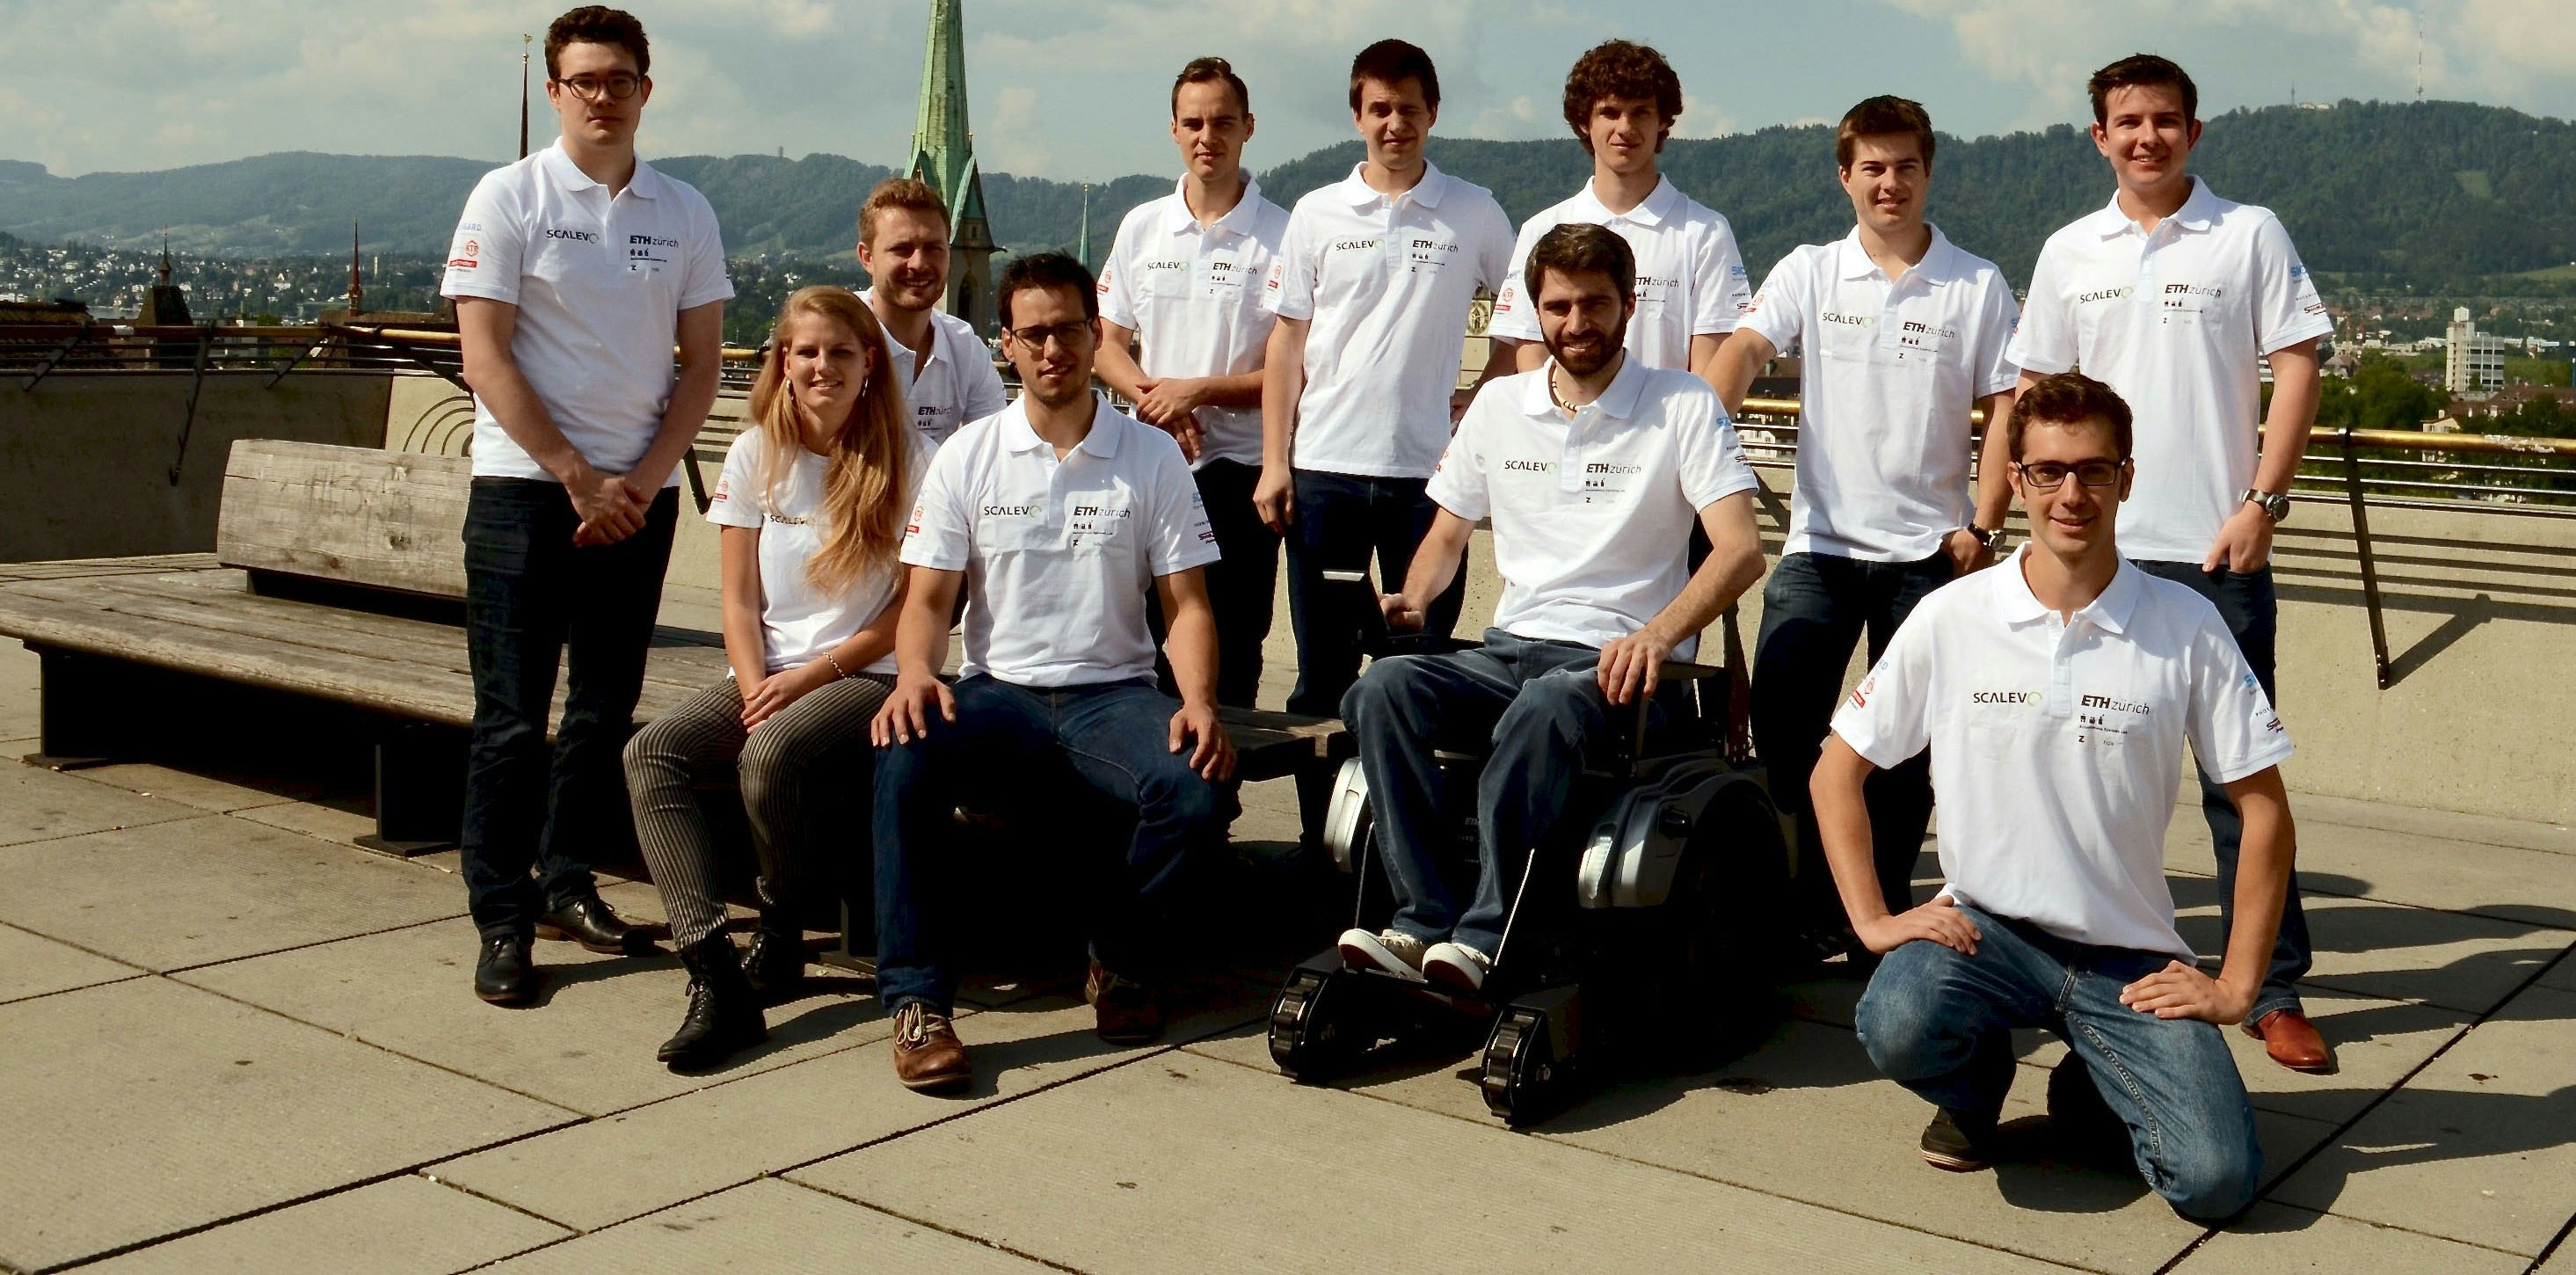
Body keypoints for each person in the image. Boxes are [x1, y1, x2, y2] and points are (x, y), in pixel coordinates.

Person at [1817, 372, 2296, 1222]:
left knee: (2215, 1181)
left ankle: (2092, 1082)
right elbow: (1835, 771)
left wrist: (2236, 986)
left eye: (2094, 470)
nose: (2071, 494)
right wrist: (1874, 921)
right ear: (2015, 478)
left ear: (2126, 478)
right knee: (1898, 1018)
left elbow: (2265, 810)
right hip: (1986, 935)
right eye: (2048, 471)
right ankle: (1974, 1089)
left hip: (2128, 960)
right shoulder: (1952, 616)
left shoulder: (2186, 623)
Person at [2005, 55, 2334, 1073]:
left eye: (2161, 120)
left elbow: (2296, 367)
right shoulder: (2068, 250)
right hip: (2087, 552)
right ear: (2097, 137)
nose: (2143, 136)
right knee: (2069, 767)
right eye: (2125, 122)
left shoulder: (2247, 233)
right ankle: (2062, 972)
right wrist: (2021, 522)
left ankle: (2269, 988)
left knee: (2238, 786)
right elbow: (2032, 397)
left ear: (2192, 132)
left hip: (2211, 551)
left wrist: (2261, 504)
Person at [1336, 223, 1764, 992]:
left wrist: (1657, 636)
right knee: (1382, 689)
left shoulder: (1682, 403)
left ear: (1628, 304)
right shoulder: (1500, 404)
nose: (1576, 323)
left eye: (1594, 303)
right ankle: (1421, 920)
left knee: (1547, 705)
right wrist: (1412, 598)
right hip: (1509, 650)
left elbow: (1740, 552)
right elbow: (1447, 535)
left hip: (1626, 669)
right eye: (1558, 306)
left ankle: (1487, 937)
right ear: (1536, 311)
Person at [870, 253, 1233, 1092]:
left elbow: (1186, 606)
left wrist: (1200, 702)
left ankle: (1118, 959)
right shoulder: (969, 454)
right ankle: (918, 1002)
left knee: (1197, 785)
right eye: (1031, 334)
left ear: (1095, 334)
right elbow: (928, 600)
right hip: (1000, 694)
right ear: (1006, 345)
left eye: (1067, 330)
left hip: (1115, 695)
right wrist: (915, 674)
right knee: (903, 748)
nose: (1051, 349)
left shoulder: (1149, 455)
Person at [441, 4, 731, 1006]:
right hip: (526, 493)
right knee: (510, 719)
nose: (602, 96)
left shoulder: (684, 210)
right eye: (584, 81)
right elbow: (484, 356)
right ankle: (502, 916)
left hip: (638, 500)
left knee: (601, 711)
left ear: (646, 90)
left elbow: (703, 365)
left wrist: (638, 483)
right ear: (555, 91)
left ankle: (567, 881)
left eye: (620, 80)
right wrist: (577, 476)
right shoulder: (508, 196)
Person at [1701, 96, 2021, 942]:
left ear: (1928, 173)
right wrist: (1697, 430)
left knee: (1905, 753)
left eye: (1906, 167)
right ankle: (1802, 907)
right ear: (1845, 176)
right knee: (1784, 733)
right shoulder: (1810, 270)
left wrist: (1985, 526)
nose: (1890, 184)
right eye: (1872, 168)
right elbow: (1745, 350)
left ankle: (1875, 916)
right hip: (1820, 548)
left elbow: (2006, 408)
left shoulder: (1976, 283)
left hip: (1931, 554)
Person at [620, 287, 928, 1070]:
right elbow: (738, 599)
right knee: (650, 751)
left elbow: (914, 612)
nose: (824, 366)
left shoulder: (912, 459)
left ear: (870, 364)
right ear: (783, 362)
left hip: (864, 673)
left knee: (770, 753)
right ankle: (714, 972)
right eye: (808, 351)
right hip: (770, 671)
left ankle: (781, 925)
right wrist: (758, 685)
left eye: (842, 352)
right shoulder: (757, 451)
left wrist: (806, 681)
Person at [1256, 38, 1516, 731]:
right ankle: (1325, 808)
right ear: (1357, 116)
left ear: (1433, 113)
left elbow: (1523, 328)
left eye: (1408, 109)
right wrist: (1275, 462)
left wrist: (1481, 395)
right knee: (1321, 676)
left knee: (1419, 672)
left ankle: (1400, 806)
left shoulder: (1475, 212)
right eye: (1379, 110)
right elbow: (1286, 343)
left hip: (1431, 479)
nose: (1394, 124)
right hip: (1324, 473)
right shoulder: (1317, 212)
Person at [1095, 56, 1290, 708]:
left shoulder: (1285, 235)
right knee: (1143, 634)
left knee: (1236, 640)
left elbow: (1295, 371)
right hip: (1153, 459)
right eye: (1195, 123)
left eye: (1223, 123)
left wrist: (1198, 391)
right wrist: (1156, 398)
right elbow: (1106, 345)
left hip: (1244, 470)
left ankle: (1226, 768)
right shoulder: (1142, 226)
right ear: (1174, 130)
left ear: (1248, 128)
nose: (1208, 137)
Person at [1488, 40, 1748, 377]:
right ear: (1584, 121)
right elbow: (1532, 362)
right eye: (1610, 113)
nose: (1625, 128)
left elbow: (1711, 375)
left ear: (1662, 121)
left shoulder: (1705, 233)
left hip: (1668, 415)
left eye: (1641, 112)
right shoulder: (1541, 230)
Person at [855, 178, 1008, 451]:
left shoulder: (965, 349)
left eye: (933, 249)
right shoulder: (831, 338)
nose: (919, 263)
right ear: (867, 257)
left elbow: (994, 453)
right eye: (902, 249)